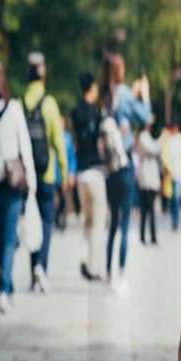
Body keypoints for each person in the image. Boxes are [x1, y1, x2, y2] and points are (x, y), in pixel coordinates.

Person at [0, 61, 37, 312]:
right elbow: (25, 147)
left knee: (0, 236)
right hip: (13, 184)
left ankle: (3, 279)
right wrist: (31, 183)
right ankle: (5, 289)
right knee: (8, 238)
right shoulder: (14, 109)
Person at [100, 52, 151, 296]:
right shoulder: (125, 95)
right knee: (124, 223)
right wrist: (145, 94)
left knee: (112, 224)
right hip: (126, 165)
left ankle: (108, 273)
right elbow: (144, 116)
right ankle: (120, 274)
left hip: (109, 169)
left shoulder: (105, 97)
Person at [22, 51, 68, 293]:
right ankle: (41, 266)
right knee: (47, 222)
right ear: (43, 76)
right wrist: (64, 172)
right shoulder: (49, 104)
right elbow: (59, 144)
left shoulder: (19, 104)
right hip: (47, 175)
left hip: (28, 178)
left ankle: (32, 274)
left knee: (32, 222)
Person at [71, 70, 106, 282]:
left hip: (81, 175)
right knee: (98, 222)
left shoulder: (75, 113)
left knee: (87, 220)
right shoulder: (97, 113)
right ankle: (93, 269)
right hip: (95, 173)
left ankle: (83, 258)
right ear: (92, 88)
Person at [137, 114, 161, 246]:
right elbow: (154, 149)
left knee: (149, 210)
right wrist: (161, 139)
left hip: (149, 179)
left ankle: (149, 236)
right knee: (147, 210)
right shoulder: (143, 137)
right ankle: (148, 236)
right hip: (146, 180)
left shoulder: (146, 137)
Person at [161, 120, 181, 231]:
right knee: (172, 198)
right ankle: (173, 219)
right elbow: (164, 155)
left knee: (176, 197)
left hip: (179, 171)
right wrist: (168, 168)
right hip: (170, 173)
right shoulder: (168, 139)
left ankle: (176, 220)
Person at [54, 114, 78, 230]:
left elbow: (72, 158)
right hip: (54, 175)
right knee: (55, 201)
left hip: (65, 174)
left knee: (64, 201)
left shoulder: (67, 138)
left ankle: (62, 221)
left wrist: (72, 173)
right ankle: (56, 219)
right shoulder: (53, 136)